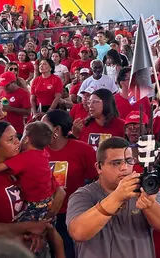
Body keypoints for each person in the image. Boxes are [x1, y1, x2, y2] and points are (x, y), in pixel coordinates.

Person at [66, 137, 160, 258]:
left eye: (129, 161)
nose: (124, 167)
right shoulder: (84, 195)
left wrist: (150, 205)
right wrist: (117, 197)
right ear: (99, 167)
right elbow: (78, 233)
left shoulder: (145, 187)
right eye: (116, 163)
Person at [0, 122, 54, 253]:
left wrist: (41, 226)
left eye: (16, 137)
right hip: (4, 250)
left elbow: (59, 193)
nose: (17, 142)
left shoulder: (27, 161)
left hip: (31, 243)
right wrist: (27, 227)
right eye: (10, 139)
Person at [43, 110, 98, 258]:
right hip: (42, 217)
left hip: (72, 214)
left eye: (44, 125)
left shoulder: (83, 150)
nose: (39, 129)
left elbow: (97, 180)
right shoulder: (37, 150)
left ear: (57, 130)